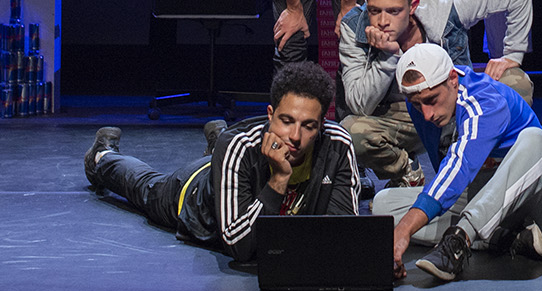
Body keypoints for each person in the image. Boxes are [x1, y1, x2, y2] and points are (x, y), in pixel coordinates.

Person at [82, 62, 359, 261]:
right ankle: (103, 157)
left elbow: (343, 234)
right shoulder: (240, 147)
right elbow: (239, 245)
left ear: (322, 124)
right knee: (146, 187)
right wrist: (278, 179)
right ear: (270, 114)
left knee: (228, 150)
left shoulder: (337, 144)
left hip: (231, 167)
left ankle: (217, 142)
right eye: (286, 121)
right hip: (195, 195)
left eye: (309, 126)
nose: (295, 137)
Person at [373, 43, 542, 283]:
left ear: (453, 79)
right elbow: (448, 175)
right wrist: (401, 229)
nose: (427, 114)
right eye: (417, 104)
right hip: (488, 200)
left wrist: (405, 229)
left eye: (431, 100)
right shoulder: (422, 106)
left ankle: (459, 239)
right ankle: (504, 238)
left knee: (535, 139)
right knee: (384, 205)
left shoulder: (486, 101)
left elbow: (459, 165)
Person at [339, 0, 535, 187]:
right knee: (351, 132)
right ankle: (407, 173)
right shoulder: (353, 28)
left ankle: (491, 161)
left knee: (517, 83)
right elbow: (359, 105)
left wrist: (512, 54)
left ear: (412, 6)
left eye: (393, 11)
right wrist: (388, 56)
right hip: (402, 117)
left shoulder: (446, 10)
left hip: (458, 105)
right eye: (374, 11)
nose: (382, 21)